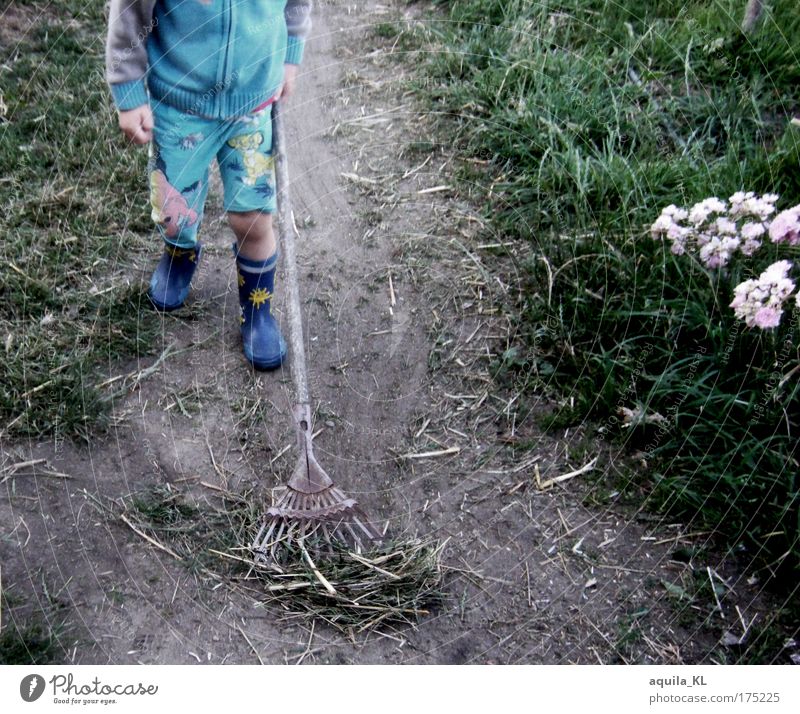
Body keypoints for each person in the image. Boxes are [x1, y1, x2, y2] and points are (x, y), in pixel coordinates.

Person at [105, 0, 313, 370]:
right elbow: (129, 13)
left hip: (252, 104)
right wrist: (128, 90)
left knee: (253, 217)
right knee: (174, 212)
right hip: (179, 106)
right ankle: (179, 254)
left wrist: (291, 53)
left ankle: (258, 309)